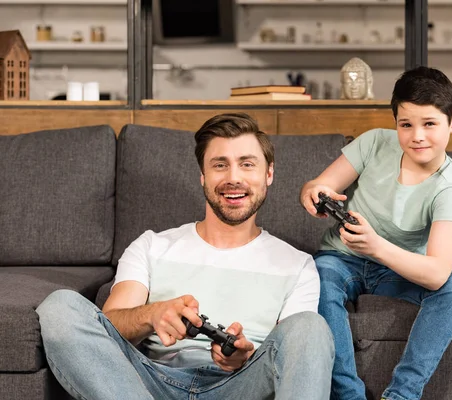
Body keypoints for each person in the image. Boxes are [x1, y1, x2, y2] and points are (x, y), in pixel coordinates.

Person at [36, 113, 334, 400]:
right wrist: (152, 315)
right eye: (220, 165)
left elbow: (295, 355)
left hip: (243, 387)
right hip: (148, 384)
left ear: (268, 174)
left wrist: (244, 357)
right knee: (59, 307)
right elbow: (110, 328)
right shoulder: (151, 246)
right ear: (203, 176)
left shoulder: (298, 265)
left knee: (310, 326)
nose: (234, 178)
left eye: (247, 164)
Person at [300, 66, 452, 400]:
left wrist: (376, 247)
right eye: (405, 124)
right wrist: (314, 191)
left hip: (397, 268)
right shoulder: (376, 143)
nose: (416, 136)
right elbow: (319, 184)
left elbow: (437, 273)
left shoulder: (451, 189)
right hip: (341, 259)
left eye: (429, 124)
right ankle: (350, 396)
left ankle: (402, 395)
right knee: (316, 274)